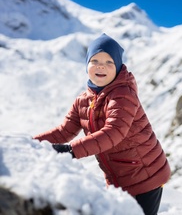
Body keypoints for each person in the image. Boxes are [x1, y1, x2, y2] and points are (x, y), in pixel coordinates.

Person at [33, 33, 171, 215]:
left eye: (109, 62)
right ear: (87, 65)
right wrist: (32, 143)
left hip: (146, 175)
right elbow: (64, 131)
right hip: (119, 177)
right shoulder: (83, 101)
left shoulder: (123, 94)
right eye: (95, 60)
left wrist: (71, 151)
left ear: (118, 67)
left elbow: (113, 133)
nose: (101, 66)